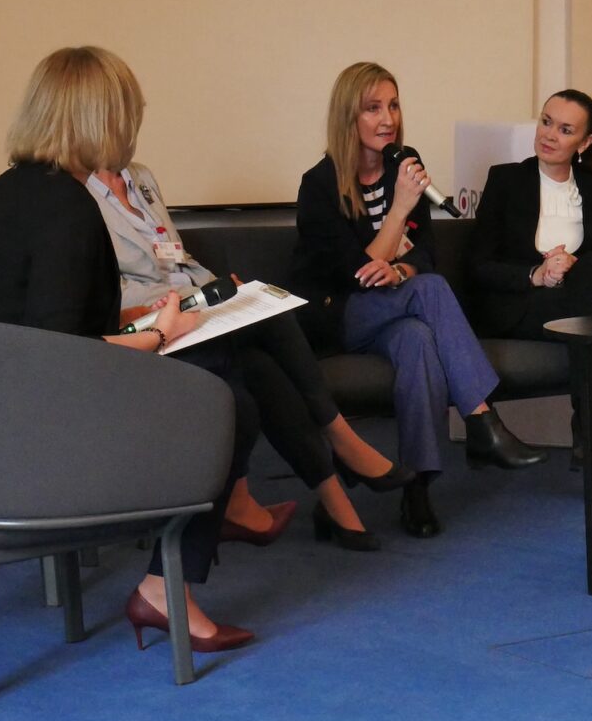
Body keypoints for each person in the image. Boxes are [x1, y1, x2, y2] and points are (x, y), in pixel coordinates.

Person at [0, 46, 256, 652]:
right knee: (227, 402)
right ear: (102, 120)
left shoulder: (10, 191)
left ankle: (185, 561)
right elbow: (65, 354)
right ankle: (165, 587)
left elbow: (46, 324)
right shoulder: (68, 209)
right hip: (38, 442)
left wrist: (146, 325)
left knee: (219, 375)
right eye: (129, 112)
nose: (135, 125)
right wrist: (160, 335)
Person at [89, 161, 414, 552]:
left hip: (191, 303)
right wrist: (161, 307)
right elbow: (104, 288)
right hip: (150, 323)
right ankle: (341, 445)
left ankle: (335, 494)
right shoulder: (79, 193)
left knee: (261, 354)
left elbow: (177, 258)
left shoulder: (139, 176)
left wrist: (216, 286)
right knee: (267, 333)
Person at [295, 61, 545, 539]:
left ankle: (417, 486)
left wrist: (402, 270)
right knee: (428, 291)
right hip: (337, 314)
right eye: (373, 108)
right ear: (348, 117)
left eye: (393, 105)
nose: (388, 119)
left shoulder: (402, 165)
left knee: (417, 340)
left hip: (396, 308)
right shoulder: (320, 184)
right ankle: (481, 420)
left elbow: (425, 253)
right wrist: (400, 209)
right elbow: (356, 274)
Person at [468, 90, 592, 508]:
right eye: (546, 122)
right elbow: (479, 265)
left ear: (585, 142)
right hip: (520, 304)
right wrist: (536, 273)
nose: (550, 135)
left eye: (565, 129)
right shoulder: (506, 180)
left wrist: (572, 266)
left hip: (577, 307)